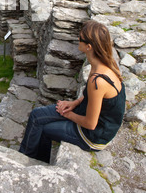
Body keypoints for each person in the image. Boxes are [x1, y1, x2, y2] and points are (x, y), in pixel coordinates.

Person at [19, 20, 126, 163]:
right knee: (36, 115)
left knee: (44, 129)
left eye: (80, 38)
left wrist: (68, 114)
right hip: (84, 112)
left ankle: (29, 160)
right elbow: (93, 98)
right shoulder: (103, 63)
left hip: (93, 135)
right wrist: (75, 103)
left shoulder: (98, 80)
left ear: (89, 47)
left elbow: (90, 123)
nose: (77, 39)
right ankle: (24, 157)